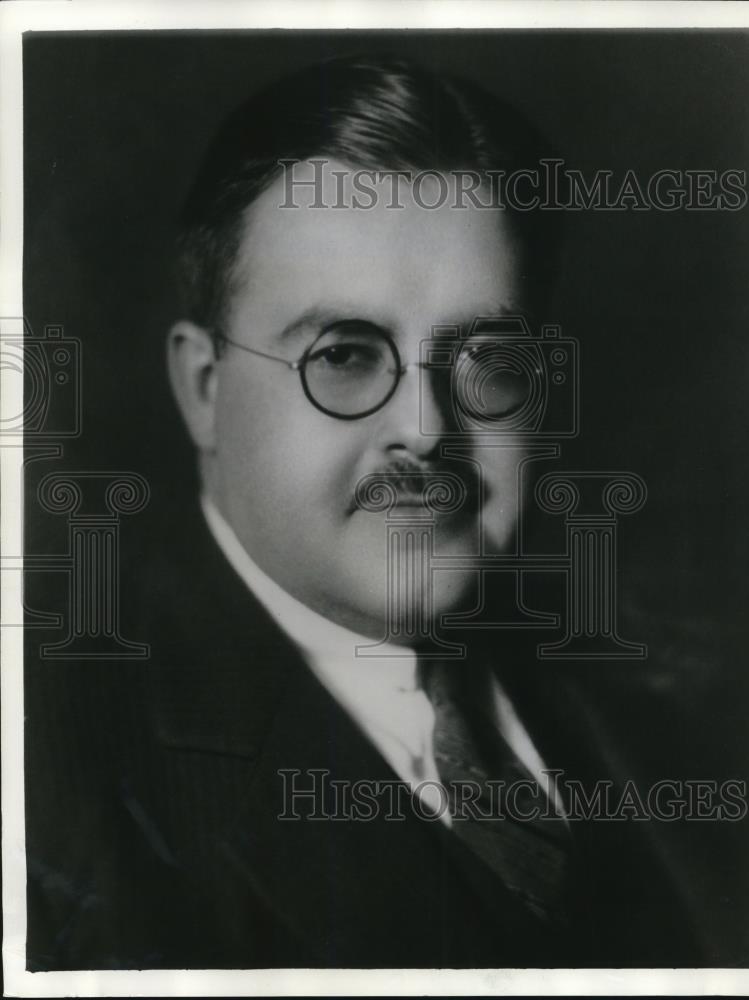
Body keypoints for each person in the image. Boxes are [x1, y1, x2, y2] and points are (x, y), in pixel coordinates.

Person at [25, 54, 713, 970]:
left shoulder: (668, 719)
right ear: (203, 388)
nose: (427, 430)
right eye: (345, 355)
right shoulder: (49, 793)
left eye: (486, 359)